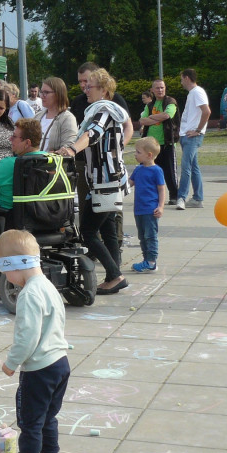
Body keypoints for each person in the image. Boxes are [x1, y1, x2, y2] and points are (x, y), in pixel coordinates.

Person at [0, 229, 71, 453]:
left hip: (39, 368)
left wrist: (11, 363)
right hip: (60, 362)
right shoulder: (48, 286)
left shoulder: (28, 295)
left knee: (30, 422)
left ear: (13, 267)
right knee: (49, 417)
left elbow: (27, 338)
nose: (9, 280)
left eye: (6, 274)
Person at [59, 67, 130, 295]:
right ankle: (113, 276)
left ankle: (115, 275)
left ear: (104, 89)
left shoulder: (104, 110)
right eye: (85, 85)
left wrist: (72, 149)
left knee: (88, 232)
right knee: (108, 229)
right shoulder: (105, 109)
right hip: (107, 179)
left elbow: (93, 134)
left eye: (90, 86)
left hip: (105, 180)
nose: (85, 89)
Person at [0, 118, 46, 217]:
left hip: (9, 217)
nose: (10, 139)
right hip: (42, 216)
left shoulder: (9, 164)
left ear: (27, 143)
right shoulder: (50, 161)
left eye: (14, 136)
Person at [128, 137, 167, 274]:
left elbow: (161, 189)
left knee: (150, 236)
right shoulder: (138, 169)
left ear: (149, 155)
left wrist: (161, 206)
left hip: (150, 210)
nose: (135, 154)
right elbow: (129, 183)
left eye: (138, 152)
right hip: (138, 209)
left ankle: (151, 261)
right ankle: (146, 260)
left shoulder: (156, 171)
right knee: (142, 236)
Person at [138, 78, 179, 204]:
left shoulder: (170, 102)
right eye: (157, 88)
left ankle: (174, 196)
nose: (160, 90)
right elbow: (142, 121)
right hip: (150, 145)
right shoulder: (149, 105)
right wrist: (156, 118)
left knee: (169, 171)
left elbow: (167, 115)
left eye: (162, 87)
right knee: (149, 171)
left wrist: (150, 118)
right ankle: (150, 195)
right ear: (152, 90)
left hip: (166, 143)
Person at [176, 68, 211, 210]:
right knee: (193, 167)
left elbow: (207, 111)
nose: (181, 82)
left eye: (181, 79)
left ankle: (181, 197)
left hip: (192, 137)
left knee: (186, 167)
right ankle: (197, 198)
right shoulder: (193, 93)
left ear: (186, 78)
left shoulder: (197, 92)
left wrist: (198, 130)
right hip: (186, 135)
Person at [34, 77, 77, 153]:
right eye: (41, 92)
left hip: (54, 164)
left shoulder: (67, 118)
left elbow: (69, 147)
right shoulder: (37, 117)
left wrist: (52, 154)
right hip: (34, 164)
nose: (42, 96)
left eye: (46, 92)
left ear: (58, 94)